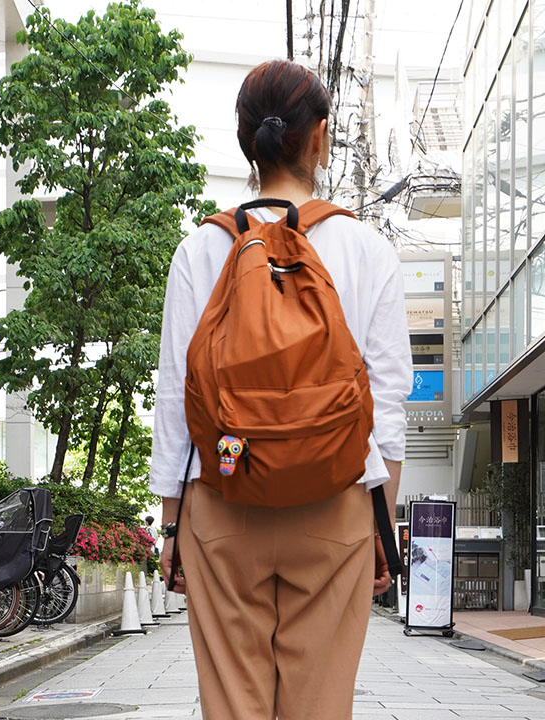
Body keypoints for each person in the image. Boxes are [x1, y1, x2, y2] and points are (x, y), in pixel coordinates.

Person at [149, 60, 412, 720]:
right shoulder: (366, 248)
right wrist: (383, 524)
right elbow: (387, 401)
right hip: (336, 501)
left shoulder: (201, 249)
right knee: (321, 705)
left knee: (232, 705)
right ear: (318, 137)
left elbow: (176, 396)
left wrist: (173, 527)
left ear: (246, 138)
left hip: (222, 495)